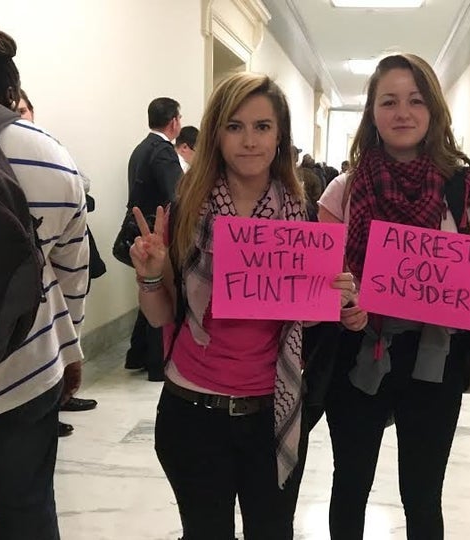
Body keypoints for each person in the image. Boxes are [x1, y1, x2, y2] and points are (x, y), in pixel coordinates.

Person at [128, 72, 357, 540]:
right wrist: (151, 273)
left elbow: (310, 317)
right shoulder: (185, 209)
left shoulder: (304, 216)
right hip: (192, 412)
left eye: (262, 127)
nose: (249, 140)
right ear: (216, 134)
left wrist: (339, 297)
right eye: (234, 127)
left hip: (272, 414)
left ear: (280, 137)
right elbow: (161, 316)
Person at [319, 53, 470, 540]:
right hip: (358, 353)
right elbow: (323, 284)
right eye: (388, 101)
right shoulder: (342, 192)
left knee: (423, 493)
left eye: (415, 100)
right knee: (350, 483)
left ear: (433, 111)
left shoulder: (466, 193)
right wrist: (344, 303)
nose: (402, 112)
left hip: (436, 359)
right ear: (372, 113)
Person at [0, 9, 88, 539]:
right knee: (28, 513)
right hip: (25, 376)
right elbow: (72, 276)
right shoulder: (46, 153)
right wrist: (71, 350)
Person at [17, 87, 99, 437]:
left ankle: (55, 405)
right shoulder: (36, 154)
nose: (20, 115)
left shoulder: (46, 152)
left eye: (24, 110)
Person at [124, 97, 184, 381]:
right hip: (157, 235)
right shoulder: (163, 152)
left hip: (141, 234)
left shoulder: (140, 149)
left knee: (148, 291)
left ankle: (136, 354)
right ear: (174, 122)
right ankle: (157, 365)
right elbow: (178, 197)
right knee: (159, 291)